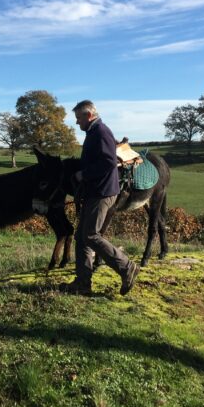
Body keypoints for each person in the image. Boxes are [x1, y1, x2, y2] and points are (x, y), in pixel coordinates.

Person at [60, 100, 139, 296]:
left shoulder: (101, 132)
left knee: (91, 236)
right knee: (81, 237)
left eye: (78, 118)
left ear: (89, 115)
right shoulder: (94, 132)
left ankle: (127, 267)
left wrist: (83, 175)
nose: (77, 123)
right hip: (95, 192)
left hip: (102, 193)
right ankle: (83, 282)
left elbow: (109, 162)